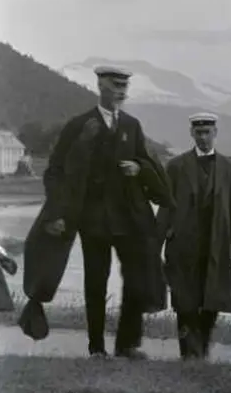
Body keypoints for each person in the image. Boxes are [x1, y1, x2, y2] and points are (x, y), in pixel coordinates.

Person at [38, 65, 165, 359]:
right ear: (100, 87)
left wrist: (138, 168)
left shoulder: (132, 126)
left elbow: (147, 163)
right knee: (95, 282)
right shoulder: (79, 125)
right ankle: (96, 347)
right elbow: (55, 170)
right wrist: (57, 212)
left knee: (135, 279)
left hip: (128, 219)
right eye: (115, 85)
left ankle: (127, 345)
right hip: (92, 220)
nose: (121, 91)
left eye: (124, 86)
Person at [157, 112, 231, 360]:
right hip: (183, 246)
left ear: (215, 133)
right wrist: (154, 246)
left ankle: (201, 352)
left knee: (212, 303)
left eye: (208, 132)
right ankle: (189, 355)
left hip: (216, 246)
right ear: (192, 134)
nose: (204, 137)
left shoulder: (228, 169)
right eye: (199, 133)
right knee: (185, 304)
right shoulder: (175, 167)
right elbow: (165, 208)